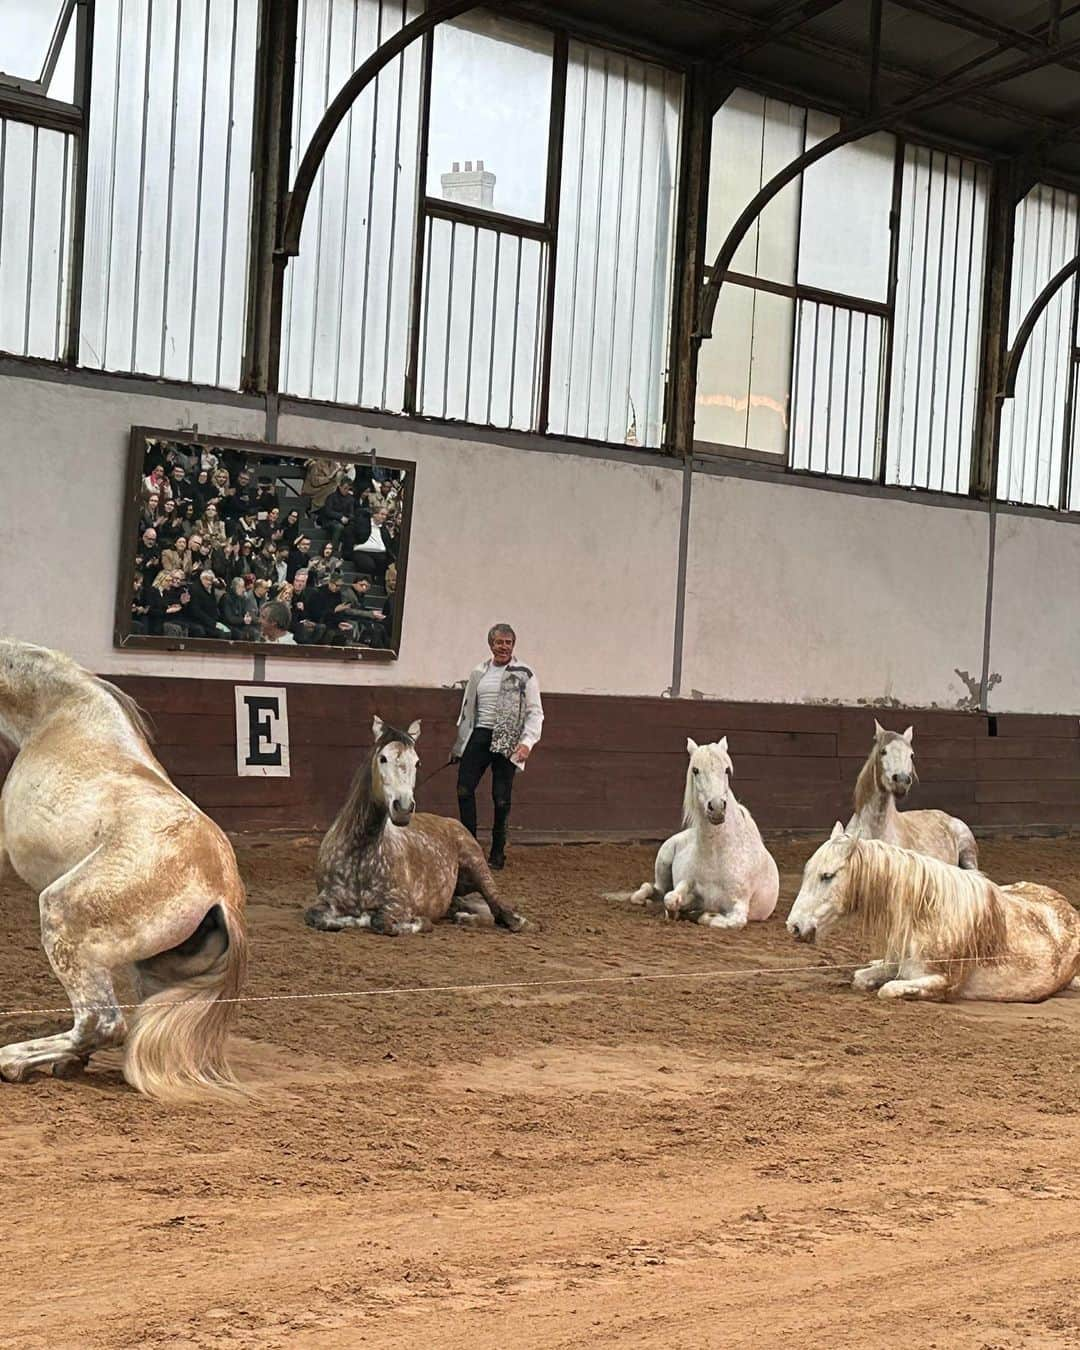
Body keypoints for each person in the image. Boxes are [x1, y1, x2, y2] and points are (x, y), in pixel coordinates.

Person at [451, 624, 543, 870]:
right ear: (490, 644)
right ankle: (469, 847)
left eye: (508, 642)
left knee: (501, 798)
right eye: (499, 642)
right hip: (480, 734)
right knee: (463, 788)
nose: (503, 647)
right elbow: (467, 709)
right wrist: (460, 745)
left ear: (514, 645)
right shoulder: (478, 672)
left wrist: (527, 743)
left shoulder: (525, 673)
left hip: (509, 737)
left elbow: (536, 712)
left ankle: (498, 851)